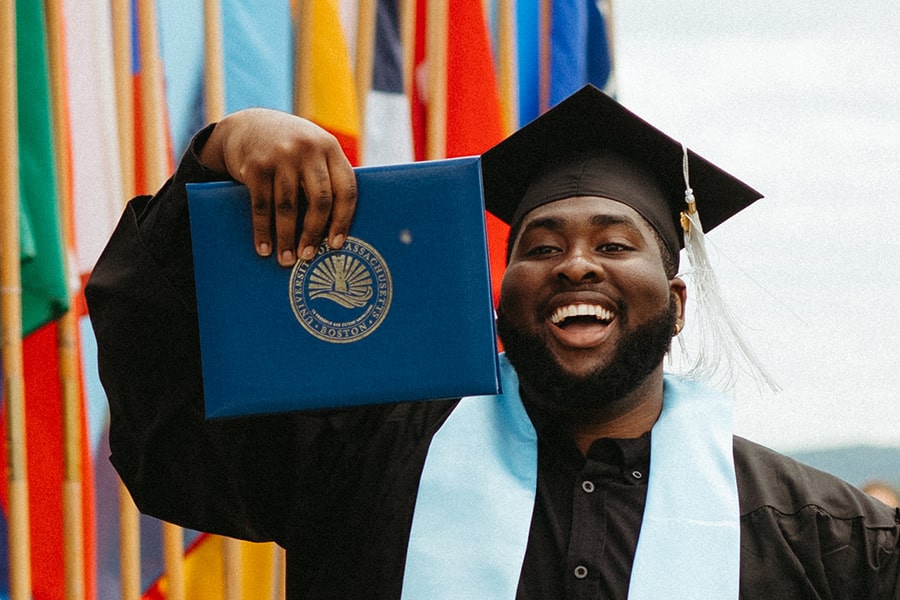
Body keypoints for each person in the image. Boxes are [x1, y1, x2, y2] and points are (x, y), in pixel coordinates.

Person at [85, 86, 900, 598]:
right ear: (500, 301)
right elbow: (167, 404)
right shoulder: (364, 459)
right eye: (540, 247)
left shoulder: (821, 538)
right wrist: (225, 147)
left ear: (677, 303)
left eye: (615, 245)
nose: (575, 264)